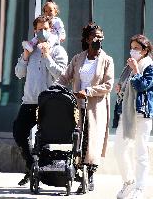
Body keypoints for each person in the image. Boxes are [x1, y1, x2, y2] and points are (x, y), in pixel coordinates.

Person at [56, 22, 114, 192]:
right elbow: (64, 77)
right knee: (78, 140)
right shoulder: (78, 58)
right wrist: (54, 88)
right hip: (77, 105)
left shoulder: (107, 60)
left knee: (92, 141)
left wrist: (88, 91)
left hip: (96, 106)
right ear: (88, 39)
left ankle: (89, 176)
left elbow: (108, 85)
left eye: (101, 37)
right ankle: (78, 172)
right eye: (95, 37)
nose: (98, 40)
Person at [13, 15, 68, 186]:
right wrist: (25, 56)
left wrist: (47, 55)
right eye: (38, 29)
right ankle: (31, 165)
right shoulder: (30, 48)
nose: (41, 32)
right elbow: (19, 74)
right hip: (29, 100)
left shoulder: (58, 50)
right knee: (19, 131)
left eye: (45, 28)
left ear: (51, 29)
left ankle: (46, 174)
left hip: (49, 103)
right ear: (34, 30)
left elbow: (60, 74)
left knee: (44, 139)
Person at [113, 34, 153, 199]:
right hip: (127, 113)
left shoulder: (149, 66)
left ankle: (140, 187)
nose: (133, 51)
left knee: (140, 151)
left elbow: (143, 86)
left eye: (136, 48)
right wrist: (120, 88)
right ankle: (128, 181)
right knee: (119, 150)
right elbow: (127, 87)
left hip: (142, 113)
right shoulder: (129, 66)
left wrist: (137, 70)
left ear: (144, 51)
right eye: (132, 47)